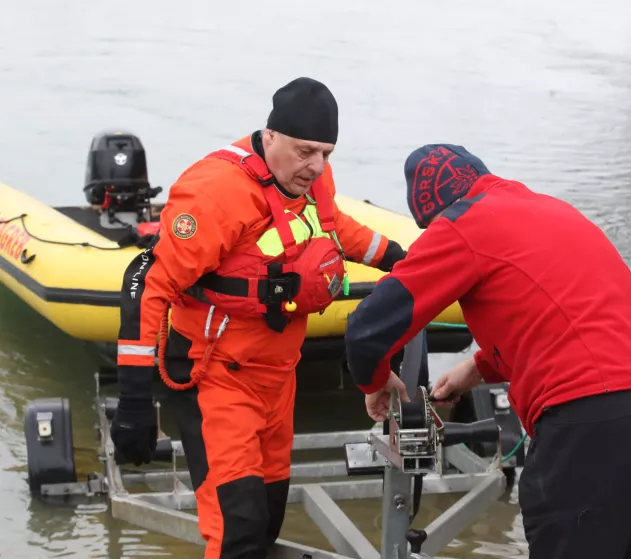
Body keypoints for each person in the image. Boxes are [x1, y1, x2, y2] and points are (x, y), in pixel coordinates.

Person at [109, 77, 408, 559]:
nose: (316, 165)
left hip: (277, 375)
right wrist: (135, 398)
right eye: (305, 150)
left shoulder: (312, 178)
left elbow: (334, 229)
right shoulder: (217, 194)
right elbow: (149, 287)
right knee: (237, 529)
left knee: (267, 517)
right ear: (270, 137)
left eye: (326, 153)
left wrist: (397, 258)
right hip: (216, 375)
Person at [344, 144, 631, 559]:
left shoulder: (459, 224)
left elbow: (367, 330)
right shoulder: (550, 210)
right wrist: (476, 368)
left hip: (590, 420)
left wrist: (376, 380)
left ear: (434, 214)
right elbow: (560, 315)